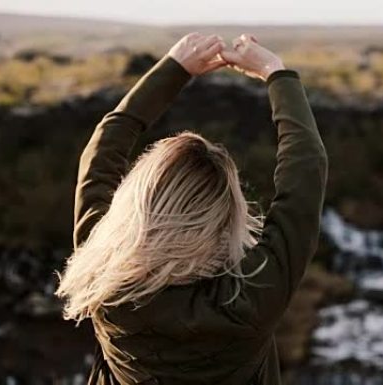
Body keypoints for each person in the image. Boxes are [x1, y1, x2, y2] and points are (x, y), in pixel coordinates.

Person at [55, 32, 328, 385]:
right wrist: (275, 72)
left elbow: (105, 147)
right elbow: (305, 172)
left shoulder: (101, 279)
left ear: (136, 202)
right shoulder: (252, 297)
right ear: (225, 217)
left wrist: (174, 69)